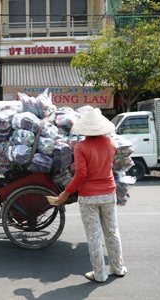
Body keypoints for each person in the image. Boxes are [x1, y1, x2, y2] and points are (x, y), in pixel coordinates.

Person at [57, 108, 127, 283]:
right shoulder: (111, 143)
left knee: (94, 235)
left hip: (89, 196)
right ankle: (118, 268)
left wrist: (66, 192)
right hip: (109, 193)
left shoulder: (81, 147)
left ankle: (99, 274)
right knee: (112, 231)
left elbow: (80, 174)